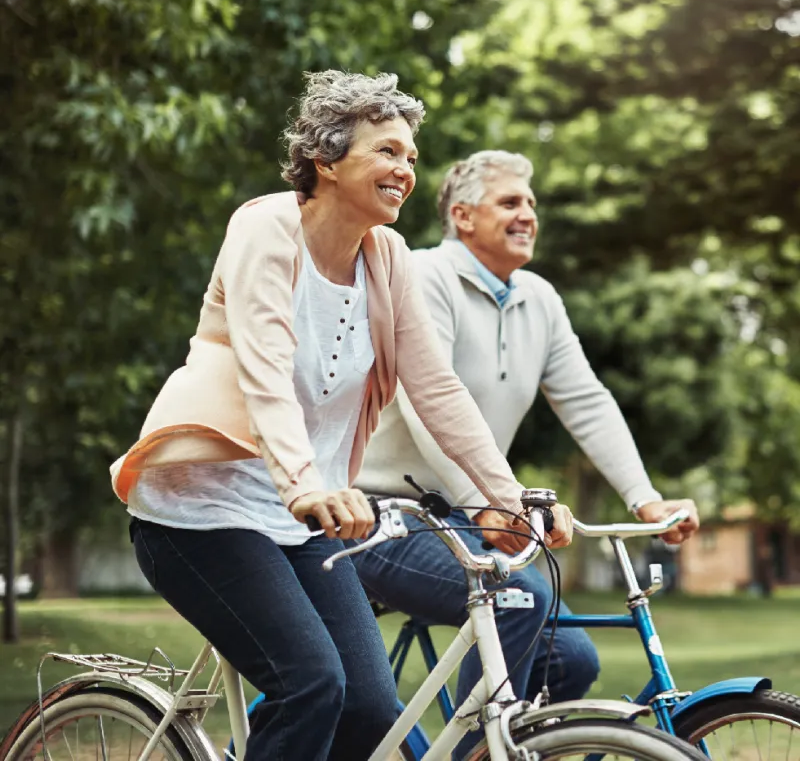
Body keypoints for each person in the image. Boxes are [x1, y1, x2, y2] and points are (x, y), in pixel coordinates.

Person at [110, 78, 573, 761]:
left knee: (371, 709)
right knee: (311, 684)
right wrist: (303, 483)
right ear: (326, 160)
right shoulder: (265, 228)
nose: (405, 171)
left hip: (307, 521)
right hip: (202, 510)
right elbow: (264, 366)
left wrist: (509, 499)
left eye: (412, 157)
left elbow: (437, 389)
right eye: (388, 151)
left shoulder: (387, 260)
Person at [352, 150, 701, 760]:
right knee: (523, 598)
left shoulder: (538, 298)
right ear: (462, 215)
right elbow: (425, 401)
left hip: (466, 515)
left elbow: (586, 402)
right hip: (382, 514)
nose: (528, 215)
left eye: (531, 204)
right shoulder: (422, 276)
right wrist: (484, 501)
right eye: (511, 202)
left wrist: (644, 499)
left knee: (572, 659)